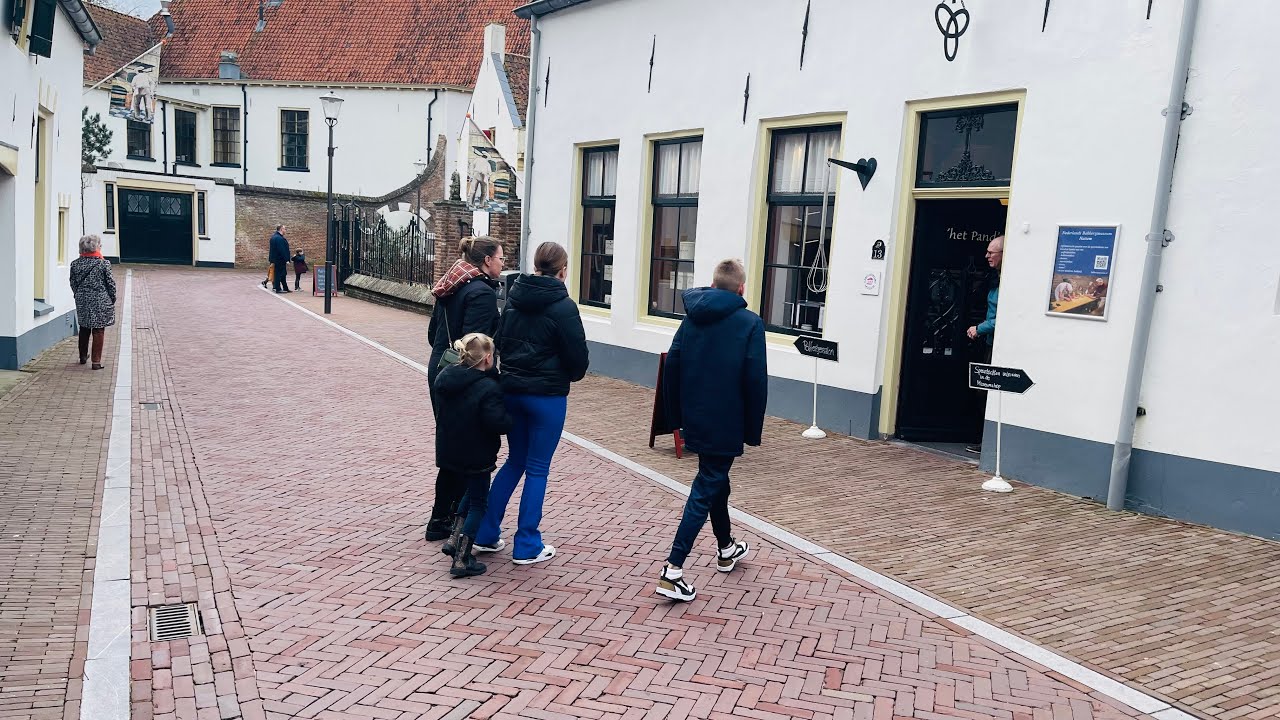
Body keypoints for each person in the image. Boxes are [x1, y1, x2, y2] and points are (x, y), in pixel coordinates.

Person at [655, 259, 766, 602]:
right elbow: (755, 379)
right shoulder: (750, 324)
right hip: (727, 419)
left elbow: (671, 364)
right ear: (741, 289)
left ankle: (726, 547)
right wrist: (752, 429)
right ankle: (673, 569)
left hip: (696, 416)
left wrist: (677, 415)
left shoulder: (691, 318)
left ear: (714, 284)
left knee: (716, 479)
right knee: (706, 486)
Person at [474, 242, 588, 565]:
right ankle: (526, 544)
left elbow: (501, 343)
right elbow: (578, 362)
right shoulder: (564, 307)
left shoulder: (513, 299)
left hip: (512, 390)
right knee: (538, 468)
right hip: (547, 398)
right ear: (563, 271)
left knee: (515, 462)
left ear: (535, 265)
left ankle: (485, 532)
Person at [424, 237, 505, 541]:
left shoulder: (451, 285)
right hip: (465, 375)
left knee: (452, 443)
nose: (502, 263)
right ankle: (450, 517)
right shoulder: (481, 293)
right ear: (486, 261)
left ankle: (443, 516)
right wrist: (491, 378)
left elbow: (433, 334)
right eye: (500, 258)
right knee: (467, 449)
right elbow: (477, 344)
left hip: (440, 370)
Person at [432, 333, 512, 578]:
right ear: (488, 358)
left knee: (468, 494)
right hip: (477, 454)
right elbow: (498, 423)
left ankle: (455, 540)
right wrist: (511, 417)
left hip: (451, 450)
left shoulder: (445, 378)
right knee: (479, 503)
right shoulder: (487, 388)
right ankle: (462, 559)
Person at [966, 235, 1003, 454]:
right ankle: (984, 439)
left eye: (992, 252)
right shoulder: (996, 278)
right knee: (983, 390)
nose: (987, 255)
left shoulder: (1010, 281)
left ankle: (988, 442)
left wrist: (981, 328)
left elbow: (1006, 315)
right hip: (989, 342)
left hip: (996, 343)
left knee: (988, 391)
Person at [69, 235, 117, 371]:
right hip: (100, 300)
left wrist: (78, 295)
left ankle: (83, 356)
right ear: (96, 247)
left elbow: (72, 282)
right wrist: (112, 298)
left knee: (84, 327)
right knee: (98, 329)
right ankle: (96, 362)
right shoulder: (103, 263)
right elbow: (111, 284)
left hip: (82, 299)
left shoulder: (75, 264)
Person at [268, 225, 291, 293]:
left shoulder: (274, 237)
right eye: (285, 229)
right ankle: (278, 288)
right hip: (279, 259)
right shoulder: (279, 238)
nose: (285, 230)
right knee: (278, 274)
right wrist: (286, 259)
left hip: (275, 259)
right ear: (281, 229)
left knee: (282, 274)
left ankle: (285, 287)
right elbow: (282, 250)